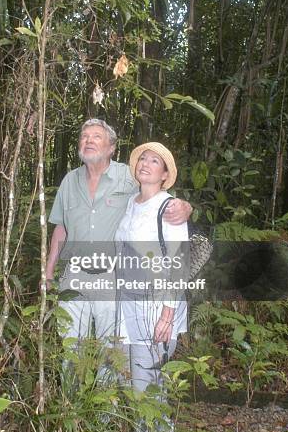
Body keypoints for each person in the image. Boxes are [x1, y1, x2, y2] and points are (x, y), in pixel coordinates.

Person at [46, 119, 192, 345]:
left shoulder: (129, 177)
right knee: (70, 350)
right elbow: (60, 229)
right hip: (73, 277)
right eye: (84, 136)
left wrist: (185, 206)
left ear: (111, 147)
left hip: (112, 279)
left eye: (96, 136)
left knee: (112, 353)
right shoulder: (69, 181)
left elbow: (156, 196)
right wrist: (48, 274)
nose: (89, 140)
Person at [114, 142, 188, 432]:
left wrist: (167, 316)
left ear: (165, 174)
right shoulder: (131, 202)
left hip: (157, 306)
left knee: (144, 381)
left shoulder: (169, 208)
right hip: (129, 300)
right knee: (144, 376)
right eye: (142, 158)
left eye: (154, 160)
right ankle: (163, 431)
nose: (145, 163)